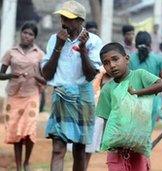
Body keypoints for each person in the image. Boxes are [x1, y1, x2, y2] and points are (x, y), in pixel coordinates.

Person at [41, 1, 102, 171]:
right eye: (62, 17)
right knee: (58, 149)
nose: (63, 21)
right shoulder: (55, 39)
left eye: (68, 18)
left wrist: (83, 50)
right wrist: (58, 48)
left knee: (79, 149)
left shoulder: (94, 41)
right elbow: (46, 74)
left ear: (80, 21)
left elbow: (91, 75)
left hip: (83, 96)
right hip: (60, 95)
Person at [96, 42, 162, 171]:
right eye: (106, 63)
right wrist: (109, 142)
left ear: (127, 59)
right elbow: (107, 119)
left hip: (138, 145)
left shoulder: (139, 75)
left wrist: (137, 93)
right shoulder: (107, 89)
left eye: (115, 59)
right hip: (116, 149)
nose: (112, 65)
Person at [0, 21, 45, 171]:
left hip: (32, 94)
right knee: (17, 131)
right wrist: (12, 75)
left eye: (30, 34)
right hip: (14, 95)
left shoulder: (39, 54)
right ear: (20, 33)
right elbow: (1, 75)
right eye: (25, 32)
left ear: (34, 37)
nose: (27, 36)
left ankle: (26, 162)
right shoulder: (11, 52)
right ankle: (19, 166)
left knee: (29, 129)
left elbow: (46, 77)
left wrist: (35, 77)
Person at [129, 31, 162, 128]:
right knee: (147, 133)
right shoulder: (159, 59)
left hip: (133, 100)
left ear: (136, 44)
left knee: (133, 132)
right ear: (150, 44)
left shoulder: (129, 59)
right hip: (152, 101)